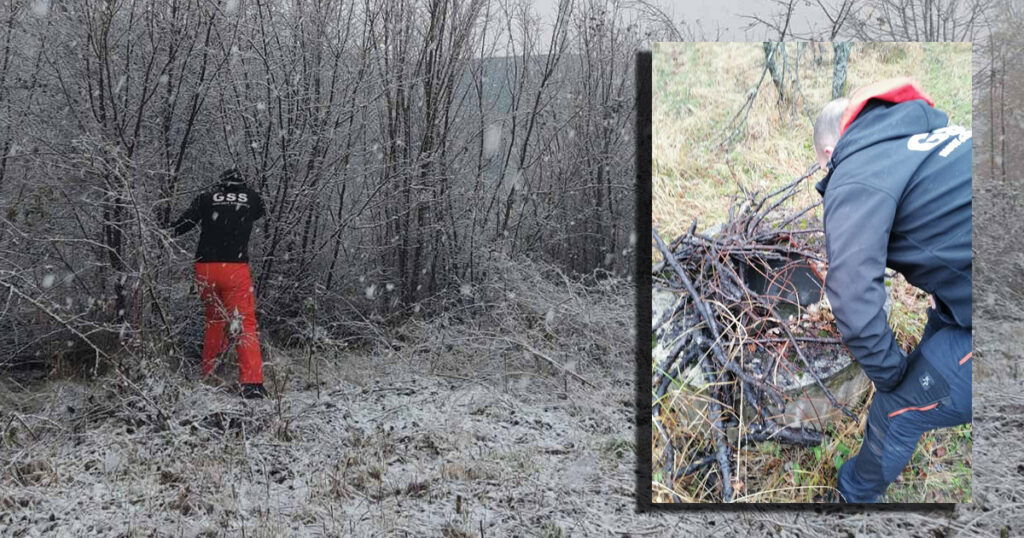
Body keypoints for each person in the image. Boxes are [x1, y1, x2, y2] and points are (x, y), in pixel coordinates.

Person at [811, 77, 972, 502]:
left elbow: (851, 295)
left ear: (829, 153)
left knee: (896, 410)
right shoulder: (915, 132)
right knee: (941, 319)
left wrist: (893, 376)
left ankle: (852, 498)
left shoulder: (853, 172)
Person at [170, 168, 269, 399]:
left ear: (220, 183)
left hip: (205, 267)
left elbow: (182, 225)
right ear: (242, 184)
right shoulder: (251, 197)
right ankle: (252, 383)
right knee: (244, 322)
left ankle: (210, 374)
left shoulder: (206, 197)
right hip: (235, 267)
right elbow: (259, 213)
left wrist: (162, 224)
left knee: (214, 321)